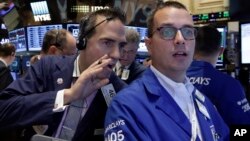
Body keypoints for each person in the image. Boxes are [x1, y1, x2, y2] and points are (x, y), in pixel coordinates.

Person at [104, 1, 229, 141]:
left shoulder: (203, 102)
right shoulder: (126, 107)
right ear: (149, 45)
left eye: (188, 31)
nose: (180, 40)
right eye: (168, 32)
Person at [0, 8, 127, 141]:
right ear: (83, 41)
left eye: (121, 46)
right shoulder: (48, 67)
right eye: (107, 42)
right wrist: (68, 95)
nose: (117, 54)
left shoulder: (119, 92)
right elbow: (3, 110)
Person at [187, 25, 250, 125]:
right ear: (221, 51)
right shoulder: (230, 85)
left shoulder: (173, 79)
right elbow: (242, 128)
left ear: (193, 47)